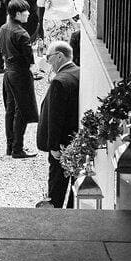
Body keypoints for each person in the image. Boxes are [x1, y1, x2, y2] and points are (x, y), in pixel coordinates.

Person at [37, 40, 81, 208]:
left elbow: (55, 116)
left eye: (49, 57)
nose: (47, 62)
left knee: (56, 187)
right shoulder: (78, 73)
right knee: (74, 185)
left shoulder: (59, 81)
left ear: (60, 56)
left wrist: (54, 146)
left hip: (61, 144)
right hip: (74, 139)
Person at [0, 0, 40, 159]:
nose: (28, 14)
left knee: (10, 110)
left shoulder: (3, 28)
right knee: (21, 111)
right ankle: (17, 148)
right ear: (17, 14)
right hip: (21, 74)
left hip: (8, 72)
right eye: (25, 12)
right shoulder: (21, 33)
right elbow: (29, 58)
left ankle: (10, 146)